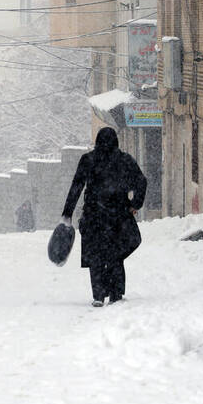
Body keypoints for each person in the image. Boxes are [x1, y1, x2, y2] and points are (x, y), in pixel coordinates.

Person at [60, 127, 147, 307]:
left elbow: (77, 186)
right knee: (116, 253)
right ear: (116, 141)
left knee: (95, 255)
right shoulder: (124, 160)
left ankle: (98, 294)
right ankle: (115, 293)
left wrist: (67, 212)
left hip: (94, 215)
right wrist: (135, 204)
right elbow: (141, 181)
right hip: (119, 215)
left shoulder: (88, 160)